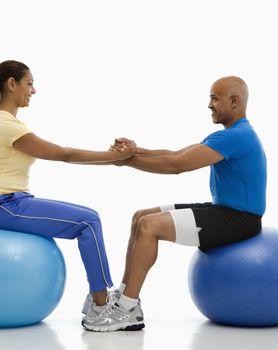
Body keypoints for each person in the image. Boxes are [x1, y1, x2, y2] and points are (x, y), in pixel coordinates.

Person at [81, 76, 267, 332]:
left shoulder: (237, 136)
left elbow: (175, 166)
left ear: (234, 101)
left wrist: (124, 161)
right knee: (141, 216)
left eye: (214, 98)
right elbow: (175, 154)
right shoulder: (232, 135)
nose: (209, 104)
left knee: (149, 226)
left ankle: (128, 309)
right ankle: (123, 297)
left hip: (239, 221)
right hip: (224, 210)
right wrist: (136, 151)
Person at [0, 60, 136, 320]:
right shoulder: (7, 126)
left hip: (10, 201)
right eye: (30, 83)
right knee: (89, 221)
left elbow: (64, 154)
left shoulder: (5, 122)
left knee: (90, 216)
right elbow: (64, 155)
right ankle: (99, 305)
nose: (34, 90)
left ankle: (100, 296)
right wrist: (113, 157)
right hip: (0, 205)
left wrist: (112, 158)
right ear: (12, 84)